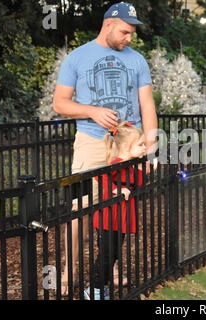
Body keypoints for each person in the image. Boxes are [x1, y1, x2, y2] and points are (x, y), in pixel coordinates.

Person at [52, 2, 157, 295]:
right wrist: (92, 111)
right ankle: (68, 270)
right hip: (90, 144)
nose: (129, 38)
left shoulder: (137, 60)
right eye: (125, 31)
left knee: (115, 210)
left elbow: (147, 104)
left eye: (132, 33)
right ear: (108, 24)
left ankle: (106, 266)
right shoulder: (78, 57)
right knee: (80, 210)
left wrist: (149, 147)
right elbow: (59, 103)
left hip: (127, 145)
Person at [84, 121, 146, 300]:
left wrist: (140, 169)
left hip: (121, 219)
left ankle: (100, 287)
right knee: (106, 256)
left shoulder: (131, 165)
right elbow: (100, 175)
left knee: (114, 255)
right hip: (108, 218)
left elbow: (138, 186)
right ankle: (93, 290)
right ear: (127, 146)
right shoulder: (117, 163)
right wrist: (116, 189)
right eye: (140, 144)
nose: (144, 147)